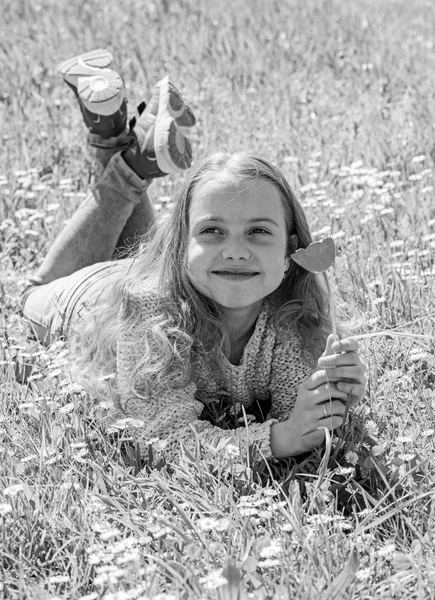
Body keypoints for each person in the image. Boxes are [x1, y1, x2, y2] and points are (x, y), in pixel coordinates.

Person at [22, 50, 367, 468]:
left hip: (153, 271)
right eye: (212, 230)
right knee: (29, 295)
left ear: (291, 253)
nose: (236, 250)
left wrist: (332, 399)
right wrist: (279, 439)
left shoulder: (292, 317)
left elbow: (302, 417)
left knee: (144, 259)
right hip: (81, 299)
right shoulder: (150, 317)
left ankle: (119, 138)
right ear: (180, 244)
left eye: (258, 232)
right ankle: (131, 163)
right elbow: (165, 439)